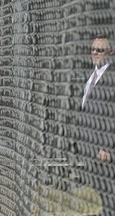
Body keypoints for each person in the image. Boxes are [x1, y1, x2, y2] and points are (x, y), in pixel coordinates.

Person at [81, 34, 113, 216]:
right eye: (92, 49)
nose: (95, 52)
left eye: (99, 50)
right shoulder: (91, 76)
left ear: (110, 52)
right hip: (88, 148)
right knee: (101, 197)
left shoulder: (111, 78)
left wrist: (107, 146)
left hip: (103, 151)